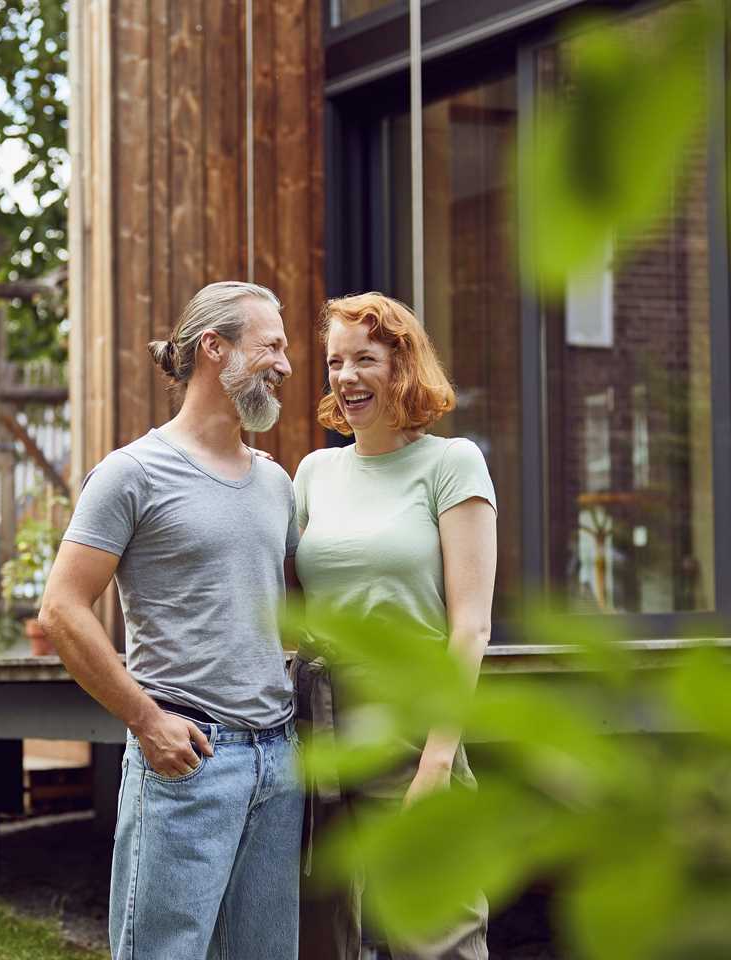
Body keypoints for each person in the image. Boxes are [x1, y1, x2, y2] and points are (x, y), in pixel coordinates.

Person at [38, 280, 304, 960]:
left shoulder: (277, 482)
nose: (286, 363)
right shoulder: (133, 473)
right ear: (215, 348)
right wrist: (146, 721)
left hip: (277, 762)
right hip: (189, 758)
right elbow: (63, 609)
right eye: (271, 345)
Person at [291, 292, 497, 960]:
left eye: (364, 359)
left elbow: (471, 628)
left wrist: (437, 759)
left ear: (402, 365)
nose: (346, 377)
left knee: (436, 931)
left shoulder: (451, 463)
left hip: (411, 721)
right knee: (319, 935)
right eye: (334, 362)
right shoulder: (315, 473)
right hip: (315, 725)